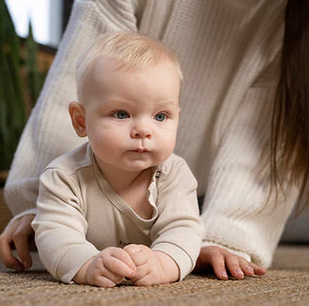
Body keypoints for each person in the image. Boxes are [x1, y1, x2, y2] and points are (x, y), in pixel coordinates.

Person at [0, 0, 309, 280]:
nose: (143, 129)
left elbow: (262, 140)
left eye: (162, 116)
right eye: (126, 116)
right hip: (91, 181)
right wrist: (40, 204)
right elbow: (80, 75)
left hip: (169, 193)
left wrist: (226, 234)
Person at [31, 31, 204, 287]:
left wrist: (163, 262)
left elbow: (185, 229)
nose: (143, 130)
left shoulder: (174, 173)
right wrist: (87, 265)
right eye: (121, 114)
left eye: (160, 116)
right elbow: (55, 234)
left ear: (177, 117)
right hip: (92, 257)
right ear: (81, 121)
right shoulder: (63, 177)